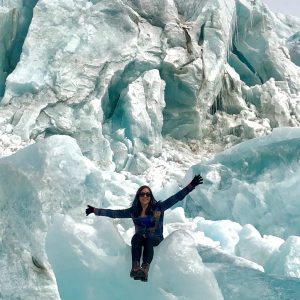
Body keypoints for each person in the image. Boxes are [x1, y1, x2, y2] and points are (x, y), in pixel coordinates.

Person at [85, 174, 203, 282]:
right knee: (137, 236)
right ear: (138, 196)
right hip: (140, 238)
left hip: (155, 238)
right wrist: (95, 210)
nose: (145, 196)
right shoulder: (134, 212)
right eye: (142, 194)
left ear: (150, 197)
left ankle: (145, 269)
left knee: (149, 238)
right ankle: (135, 267)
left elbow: (176, 198)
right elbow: (115, 213)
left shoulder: (158, 208)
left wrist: (191, 185)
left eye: (148, 194)